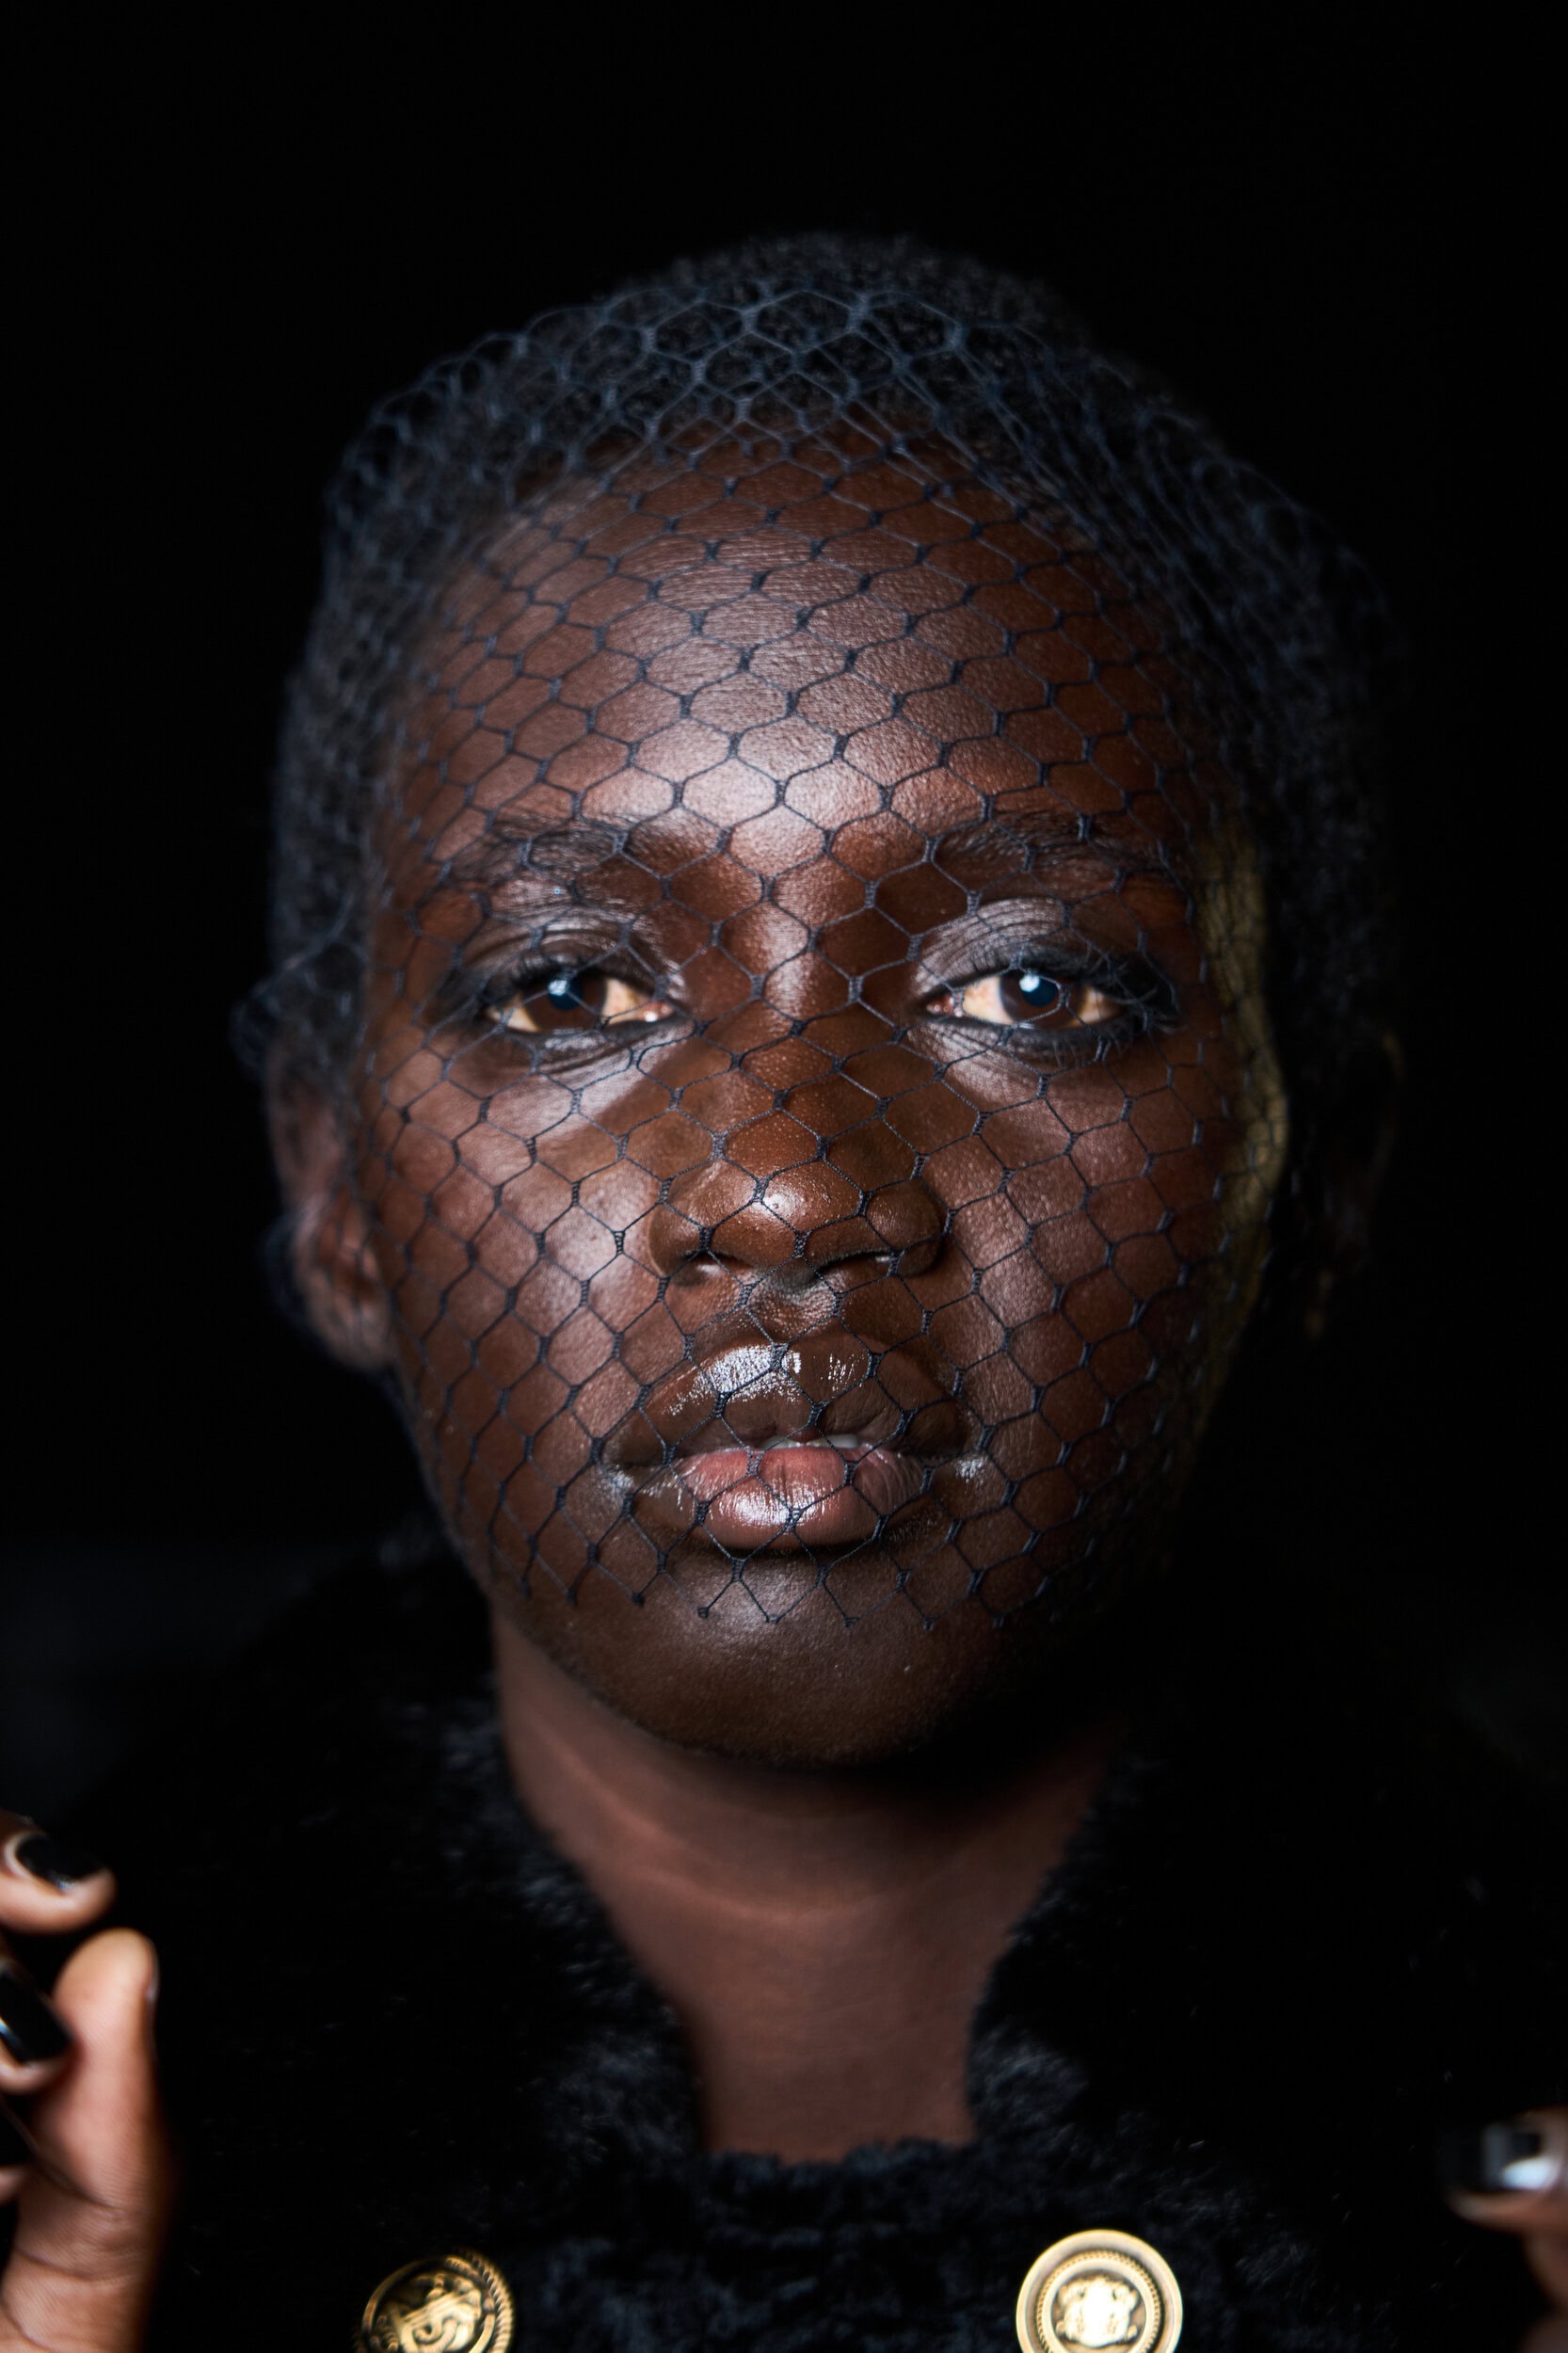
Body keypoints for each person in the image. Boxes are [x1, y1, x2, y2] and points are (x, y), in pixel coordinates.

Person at [1, 238, 1562, 2351]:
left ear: (1313, 1179)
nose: (786, 1190)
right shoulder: (64, 2145)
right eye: (569, 990)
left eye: (1031, 988)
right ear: (337, 1187)